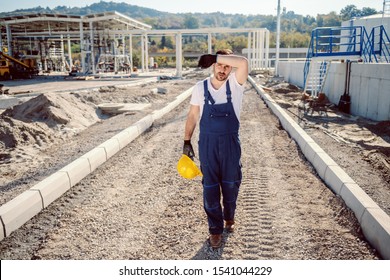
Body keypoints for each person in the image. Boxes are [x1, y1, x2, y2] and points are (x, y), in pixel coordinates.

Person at [183, 49, 248, 248]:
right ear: (212, 66)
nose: (222, 69)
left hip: (230, 145)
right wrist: (187, 141)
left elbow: (243, 62)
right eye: (219, 65)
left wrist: (217, 56)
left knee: (231, 185)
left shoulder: (236, 85)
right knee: (210, 188)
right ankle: (215, 230)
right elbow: (193, 115)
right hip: (208, 145)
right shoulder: (200, 88)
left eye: (226, 65)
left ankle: (229, 217)